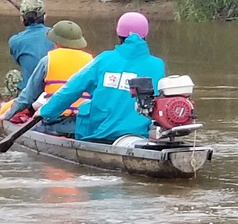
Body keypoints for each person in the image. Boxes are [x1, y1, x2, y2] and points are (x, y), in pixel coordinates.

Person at [25, 11, 165, 143]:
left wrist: (45, 111)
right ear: (146, 34)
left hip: (101, 135)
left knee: (85, 106)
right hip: (141, 136)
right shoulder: (158, 65)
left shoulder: (104, 59)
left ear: (118, 34)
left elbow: (71, 90)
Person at [15, 20, 93, 136]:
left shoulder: (47, 60)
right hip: (83, 123)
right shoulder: (91, 61)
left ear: (56, 43)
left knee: (30, 129)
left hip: (54, 122)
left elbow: (28, 96)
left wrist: (7, 115)